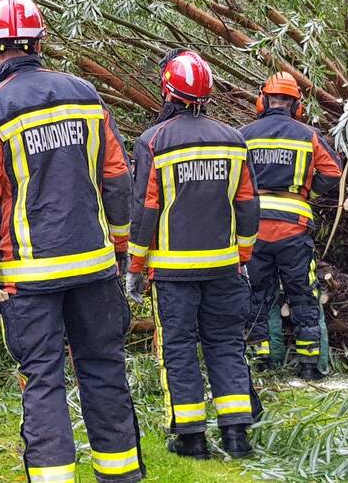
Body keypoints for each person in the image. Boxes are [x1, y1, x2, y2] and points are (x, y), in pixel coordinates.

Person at [0, 0, 145, 483]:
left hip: (30, 276)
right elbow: (117, 178)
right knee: (104, 368)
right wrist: (121, 249)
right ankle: (121, 474)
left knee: (42, 379)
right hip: (94, 266)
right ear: (40, 41)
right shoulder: (85, 95)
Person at [125, 49, 261, 460]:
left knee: (178, 349)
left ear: (167, 90)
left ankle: (191, 438)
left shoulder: (153, 141)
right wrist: (243, 255)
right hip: (224, 267)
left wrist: (134, 266)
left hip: (173, 272)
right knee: (226, 344)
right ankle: (236, 434)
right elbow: (247, 203)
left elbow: (145, 209)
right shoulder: (233, 139)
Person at [239, 72, 342, 381]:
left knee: (257, 296)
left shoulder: (244, 135)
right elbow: (332, 171)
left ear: (262, 101)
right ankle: (310, 366)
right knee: (302, 294)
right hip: (294, 228)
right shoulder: (307, 135)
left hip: (254, 228)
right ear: (297, 106)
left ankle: (263, 363)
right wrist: (306, 192)